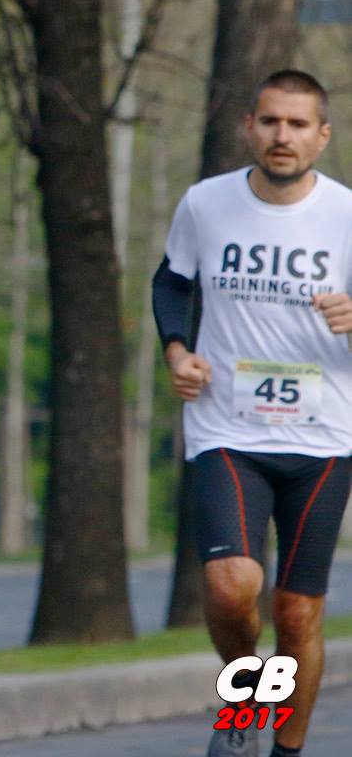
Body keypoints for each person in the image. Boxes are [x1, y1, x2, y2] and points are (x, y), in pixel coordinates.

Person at [155, 70, 352, 757]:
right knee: (231, 583)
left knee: (296, 614)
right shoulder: (206, 205)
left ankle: (287, 752)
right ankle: (242, 709)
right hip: (227, 426)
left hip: (324, 436)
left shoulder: (346, 214)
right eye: (270, 122)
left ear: (322, 136)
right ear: (250, 126)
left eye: (298, 125)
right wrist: (178, 351)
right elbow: (172, 281)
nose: (282, 136)